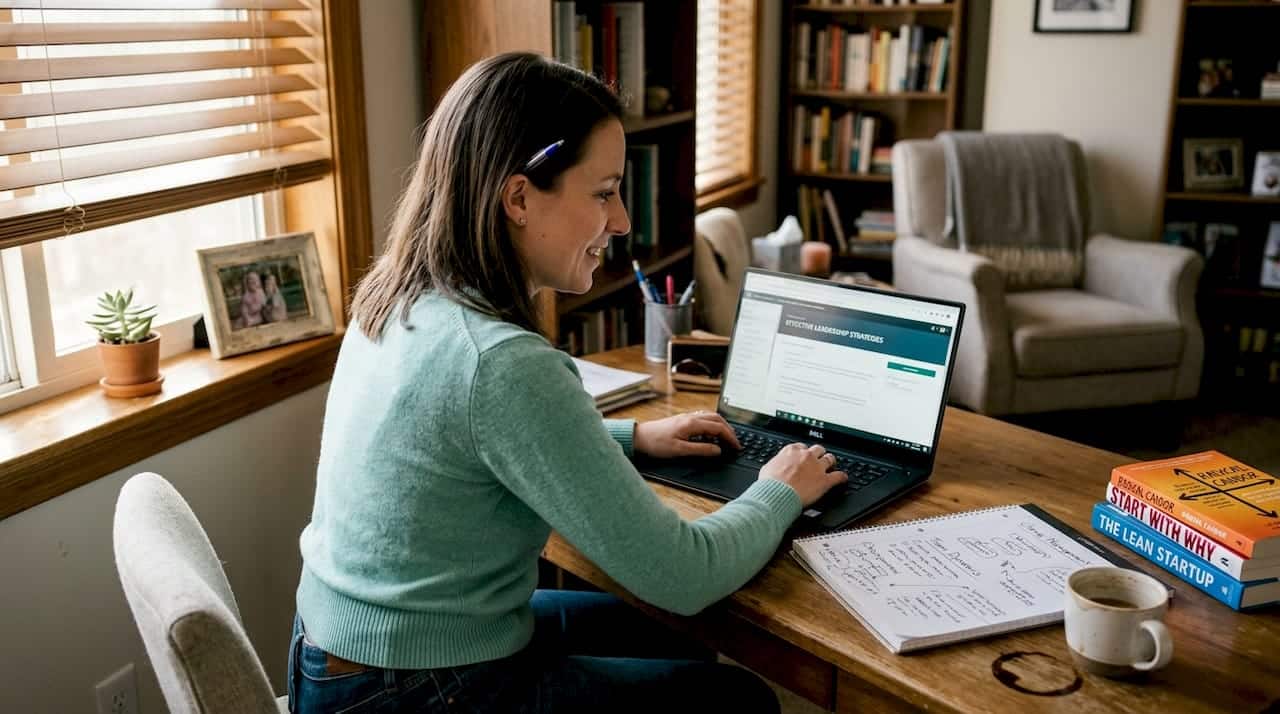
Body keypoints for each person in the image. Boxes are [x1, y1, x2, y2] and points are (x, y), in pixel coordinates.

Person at [289, 52, 847, 714]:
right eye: (604, 192)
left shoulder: (402, 297)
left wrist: (631, 437)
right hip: (403, 689)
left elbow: (456, 441)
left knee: (667, 636)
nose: (621, 222)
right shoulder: (500, 362)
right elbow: (685, 574)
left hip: (337, 656)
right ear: (519, 197)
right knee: (734, 698)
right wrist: (777, 492)